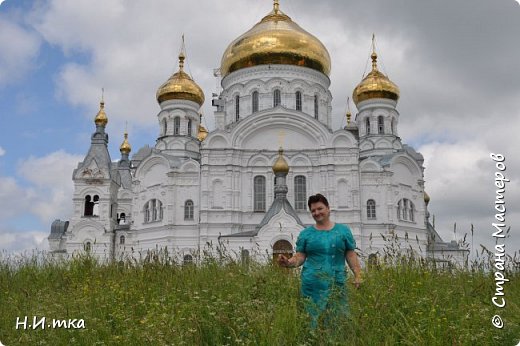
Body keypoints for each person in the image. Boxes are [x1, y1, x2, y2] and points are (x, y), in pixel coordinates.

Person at [277, 193, 362, 328]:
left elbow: (350, 255)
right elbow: (300, 256)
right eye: (313, 210)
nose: (317, 213)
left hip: (337, 282)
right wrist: (289, 263)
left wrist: (358, 275)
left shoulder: (343, 231)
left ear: (328, 208)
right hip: (312, 284)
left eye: (320, 208)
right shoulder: (306, 234)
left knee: (338, 318)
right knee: (312, 319)